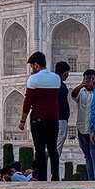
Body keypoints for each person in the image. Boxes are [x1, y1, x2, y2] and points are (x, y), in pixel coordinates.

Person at [18, 52, 61, 181]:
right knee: (53, 149)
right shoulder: (56, 78)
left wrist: (22, 121)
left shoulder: (33, 79)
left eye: (32, 66)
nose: (32, 69)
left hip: (38, 119)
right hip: (53, 119)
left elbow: (28, 101)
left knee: (40, 150)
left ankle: (42, 177)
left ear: (36, 65)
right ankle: (55, 176)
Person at [71, 69, 95, 180]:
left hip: (93, 130)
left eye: (91, 78)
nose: (89, 80)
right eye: (87, 78)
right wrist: (81, 85)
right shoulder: (81, 92)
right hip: (81, 129)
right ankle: (91, 179)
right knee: (87, 156)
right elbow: (73, 95)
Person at [54, 60, 71, 162]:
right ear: (64, 72)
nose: (68, 74)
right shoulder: (60, 85)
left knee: (54, 150)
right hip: (60, 120)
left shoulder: (53, 83)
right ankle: (51, 176)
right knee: (57, 150)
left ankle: (50, 175)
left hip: (54, 120)